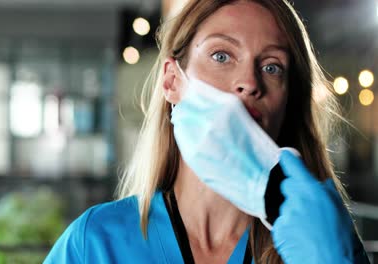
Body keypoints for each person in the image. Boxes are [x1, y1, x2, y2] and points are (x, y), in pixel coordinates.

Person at [44, 0, 370, 263]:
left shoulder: (325, 239)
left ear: (288, 99)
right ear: (172, 81)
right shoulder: (94, 244)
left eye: (272, 67)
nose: (250, 82)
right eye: (221, 55)